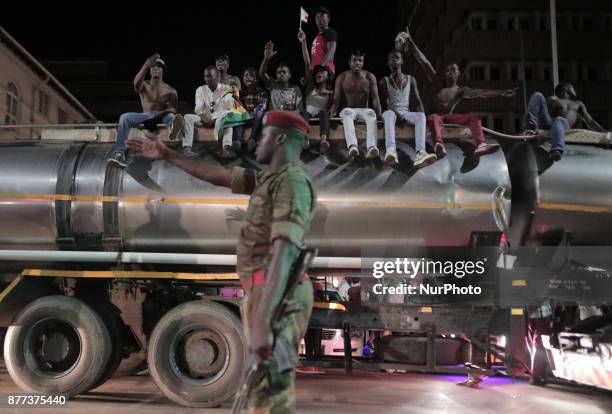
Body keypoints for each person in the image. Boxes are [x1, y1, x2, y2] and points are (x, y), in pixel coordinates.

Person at [127, 111, 315, 413]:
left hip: (278, 295)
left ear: (280, 139)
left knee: (272, 390)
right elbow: (220, 176)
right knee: (260, 390)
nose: (257, 142)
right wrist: (167, 154)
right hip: (266, 291)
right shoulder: (270, 179)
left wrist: (265, 316)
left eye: (264, 135)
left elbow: (285, 250)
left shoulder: (292, 182)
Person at [395, 30, 518, 159]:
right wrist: (411, 42)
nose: (450, 72)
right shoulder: (436, 81)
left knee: (473, 118)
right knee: (433, 118)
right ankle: (439, 144)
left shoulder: (461, 90)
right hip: (434, 117)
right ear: (444, 74)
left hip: (448, 118)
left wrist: (502, 93)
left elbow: (482, 93)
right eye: (448, 70)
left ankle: (480, 144)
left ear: (458, 73)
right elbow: (423, 61)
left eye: (453, 70)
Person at [108, 54, 183, 167]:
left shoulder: (171, 90)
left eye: (159, 67)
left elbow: (173, 108)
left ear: (163, 71)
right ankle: (119, 153)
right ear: (149, 70)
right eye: (153, 67)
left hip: (162, 115)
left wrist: (159, 115)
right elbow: (136, 83)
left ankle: (175, 141)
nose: (155, 68)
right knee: (125, 117)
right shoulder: (144, 85)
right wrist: (146, 65)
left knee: (171, 117)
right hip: (145, 115)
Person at [379, 50, 437, 168]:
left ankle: (420, 152)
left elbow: (417, 101)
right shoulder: (384, 81)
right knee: (389, 114)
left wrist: (424, 119)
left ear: (402, 61)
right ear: (388, 63)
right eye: (392, 58)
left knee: (420, 116)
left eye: (397, 58)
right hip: (391, 113)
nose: (394, 60)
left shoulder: (411, 79)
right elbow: (385, 104)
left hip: (405, 112)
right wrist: (396, 114)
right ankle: (391, 150)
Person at [524, 82, 608, 161]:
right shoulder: (553, 99)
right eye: (573, 88)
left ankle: (556, 150)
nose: (575, 91)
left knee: (559, 120)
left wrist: (605, 133)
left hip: (562, 124)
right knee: (537, 95)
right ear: (566, 88)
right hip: (548, 122)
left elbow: (589, 121)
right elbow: (542, 111)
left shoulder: (578, 103)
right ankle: (530, 126)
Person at [181, 66, 248, 158]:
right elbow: (199, 109)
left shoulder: (227, 89)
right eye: (205, 76)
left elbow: (228, 108)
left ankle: (226, 148)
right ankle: (187, 148)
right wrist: (206, 119)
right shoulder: (200, 89)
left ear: (217, 76)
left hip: (221, 117)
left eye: (210, 76)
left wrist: (215, 118)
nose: (207, 79)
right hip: (204, 117)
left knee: (228, 118)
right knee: (187, 117)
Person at [330, 50, 382, 161]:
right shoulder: (342, 77)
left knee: (371, 113)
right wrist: (332, 115)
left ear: (363, 63)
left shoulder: (369, 76)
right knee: (348, 113)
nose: (357, 63)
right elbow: (336, 99)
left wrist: (379, 115)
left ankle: (372, 146)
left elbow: (375, 98)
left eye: (360, 61)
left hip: (364, 110)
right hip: (348, 110)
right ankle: (353, 146)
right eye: (354, 60)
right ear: (349, 62)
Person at [298, 29, 334, 152]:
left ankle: (323, 140)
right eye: (316, 72)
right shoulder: (311, 82)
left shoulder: (328, 90)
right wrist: (303, 42)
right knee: (304, 113)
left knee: (324, 113)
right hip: (309, 110)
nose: (318, 74)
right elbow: (307, 61)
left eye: (321, 73)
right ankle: (305, 138)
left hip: (321, 111)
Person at [259, 42, 304, 113]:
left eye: (284, 72)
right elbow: (262, 73)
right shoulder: (272, 85)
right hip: (274, 120)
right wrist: (266, 58)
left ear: (289, 75)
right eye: (279, 72)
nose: (281, 74)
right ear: (276, 76)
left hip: (289, 120)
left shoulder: (296, 89)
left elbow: (299, 109)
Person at [237, 67, 269, 150]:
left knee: (260, 113)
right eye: (246, 76)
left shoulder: (262, 92)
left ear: (256, 79)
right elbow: (239, 107)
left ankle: (252, 139)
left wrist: (253, 112)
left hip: (256, 119)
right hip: (244, 117)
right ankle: (237, 141)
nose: (248, 77)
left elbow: (262, 106)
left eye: (251, 75)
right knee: (236, 113)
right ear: (243, 79)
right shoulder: (240, 93)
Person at [309, 6, 338, 74]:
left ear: (328, 18)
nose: (319, 19)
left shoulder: (330, 31)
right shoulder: (317, 37)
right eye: (317, 17)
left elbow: (332, 50)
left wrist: (321, 68)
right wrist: (309, 75)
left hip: (325, 70)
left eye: (322, 16)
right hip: (316, 73)